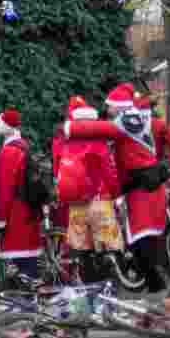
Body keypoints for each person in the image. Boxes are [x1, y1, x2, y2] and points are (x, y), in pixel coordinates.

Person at [70, 83, 169, 301]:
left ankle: (152, 289)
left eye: (111, 105)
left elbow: (103, 131)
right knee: (129, 244)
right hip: (126, 192)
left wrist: (70, 129)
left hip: (131, 190)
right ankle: (139, 289)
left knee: (134, 242)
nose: (108, 108)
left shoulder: (124, 121)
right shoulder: (133, 119)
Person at [56, 96, 122, 282]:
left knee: (82, 252)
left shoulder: (67, 142)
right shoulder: (99, 144)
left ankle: (88, 294)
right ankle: (107, 292)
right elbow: (109, 173)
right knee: (108, 250)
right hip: (100, 201)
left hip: (77, 202)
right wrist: (117, 193)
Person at [0, 108, 42, 281]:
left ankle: (24, 295)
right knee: (30, 254)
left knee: (20, 254)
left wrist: (0, 219)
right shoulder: (25, 146)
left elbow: (5, 189)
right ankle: (31, 291)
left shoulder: (8, 152)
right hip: (30, 208)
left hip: (16, 210)